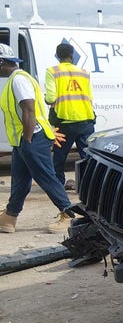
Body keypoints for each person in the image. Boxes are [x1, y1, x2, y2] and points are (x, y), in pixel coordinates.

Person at [0, 43, 75, 234]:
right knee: (19, 180)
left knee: (45, 175)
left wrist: (28, 140)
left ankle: (70, 214)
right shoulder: (15, 80)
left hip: (32, 137)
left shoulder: (18, 80)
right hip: (23, 140)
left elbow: (29, 109)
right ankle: (9, 217)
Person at [45, 42, 96, 191]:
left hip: (64, 121)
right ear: (71, 56)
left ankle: (58, 185)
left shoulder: (52, 71)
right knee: (87, 156)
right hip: (86, 120)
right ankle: (88, 186)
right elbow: (90, 96)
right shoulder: (84, 72)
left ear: (58, 56)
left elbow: (50, 98)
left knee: (59, 157)